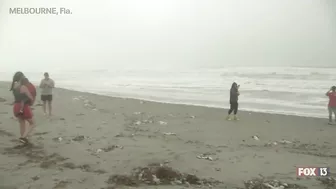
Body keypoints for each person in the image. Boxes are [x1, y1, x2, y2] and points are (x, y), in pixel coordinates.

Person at [11, 73, 35, 144]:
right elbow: (30, 97)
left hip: (16, 106)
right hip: (23, 106)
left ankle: (22, 137)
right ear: (22, 78)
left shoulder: (14, 86)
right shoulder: (23, 87)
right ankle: (23, 137)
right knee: (32, 123)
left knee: (22, 123)